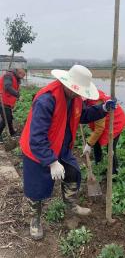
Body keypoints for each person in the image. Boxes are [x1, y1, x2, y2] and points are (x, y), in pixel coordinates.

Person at [19, 65, 116, 240]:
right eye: (76, 90)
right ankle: (35, 219)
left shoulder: (75, 97)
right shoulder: (46, 100)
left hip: (62, 147)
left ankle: (70, 204)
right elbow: (37, 137)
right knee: (36, 189)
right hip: (38, 150)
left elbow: (82, 114)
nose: (79, 94)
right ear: (68, 84)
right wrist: (51, 161)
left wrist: (102, 109)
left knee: (72, 173)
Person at [83, 89, 125, 174]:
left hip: (115, 122)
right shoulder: (89, 95)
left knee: (110, 148)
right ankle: (98, 163)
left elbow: (99, 128)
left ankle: (114, 172)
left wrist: (88, 144)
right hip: (105, 120)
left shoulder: (97, 102)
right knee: (96, 141)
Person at [0, 68, 26, 142]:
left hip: (6, 101)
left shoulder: (15, 77)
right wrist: (18, 95)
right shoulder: (8, 76)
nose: (23, 77)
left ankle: (12, 133)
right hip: (2, 100)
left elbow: (12, 89)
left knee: (9, 118)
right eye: (22, 75)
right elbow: (7, 87)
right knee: (6, 119)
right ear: (19, 73)